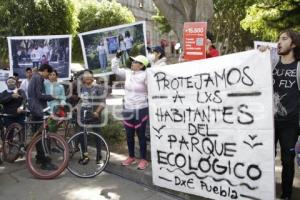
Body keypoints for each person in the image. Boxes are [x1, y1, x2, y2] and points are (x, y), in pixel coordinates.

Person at [261, 30, 300, 200]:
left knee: (287, 162)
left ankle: (286, 196)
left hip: (290, 124)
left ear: (293, 44)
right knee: (265, 159)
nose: (279, 42)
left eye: (284, 39)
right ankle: (265, 193)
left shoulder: (298, 67)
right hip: (269, 122)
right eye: (278, 39)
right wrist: (260, 55)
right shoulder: (272, 63)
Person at [111, 53, 150, 170]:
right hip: (127, 108)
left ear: (142, 65)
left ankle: (144, 159)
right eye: (132, 62)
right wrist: (116, 58)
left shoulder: (146, 75)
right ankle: (131, 157)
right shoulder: (128, 73)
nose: (132, 63)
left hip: (141, 108)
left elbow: (151, 89)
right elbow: (115, 69)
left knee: (141, 135)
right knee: (129, 135)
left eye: (135, 62)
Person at [27, 64, 57, 170]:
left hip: (35, 108)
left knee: (39, 134)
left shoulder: (34, 77)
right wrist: (51, 96)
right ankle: (44, 161)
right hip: (38, 108)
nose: (48, 76)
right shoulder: (39, 78)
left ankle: (40, 157)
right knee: (43, 135)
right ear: (44, 70)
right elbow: (39, 95)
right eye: (48, 73)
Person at [76, 69, 106, 165]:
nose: (88, 77)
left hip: (94, 115)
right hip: (83, 114)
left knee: (97, 136)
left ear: (93, 77)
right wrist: (77, 107)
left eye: (89, 75)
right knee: (82, 135)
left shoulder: (98, 88)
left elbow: (103, 102)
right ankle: (85, 156)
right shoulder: (81, 87)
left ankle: (99, 157)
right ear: (83, 78)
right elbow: (81, 100)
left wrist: (97, 112)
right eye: (85, 76)